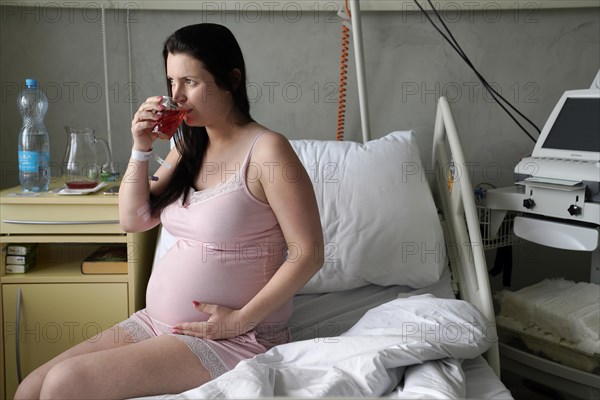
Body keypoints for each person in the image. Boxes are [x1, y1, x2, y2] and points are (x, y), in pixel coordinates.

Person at [15, 23, 324, 399]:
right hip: (156, 322)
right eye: (171, 82)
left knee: (65, 385)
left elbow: (308, 253)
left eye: (190, 82)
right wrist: (140, 147)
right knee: (30, 388)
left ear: (232, 79)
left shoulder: (268, 151)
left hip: (233, 336)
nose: (176, 96)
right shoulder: (188, 143)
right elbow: (134, 219)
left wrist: (241, 320)